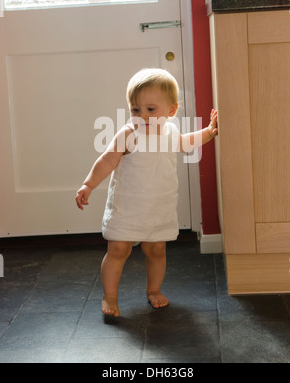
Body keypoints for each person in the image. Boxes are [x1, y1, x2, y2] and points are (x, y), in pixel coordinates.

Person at [76, 68, 218, 317]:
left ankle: (153, 290)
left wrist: (209, 131)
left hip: (158, 206)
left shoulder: (171, 133)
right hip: (127, 208)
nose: (141, 116)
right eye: (135, 109)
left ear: (171, 111)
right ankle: (109, 296)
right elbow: (107, 161)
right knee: (118, 250)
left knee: (156, 250)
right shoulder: (129, 134)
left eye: (150, 110)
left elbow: (186, 143)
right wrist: (88, 185)